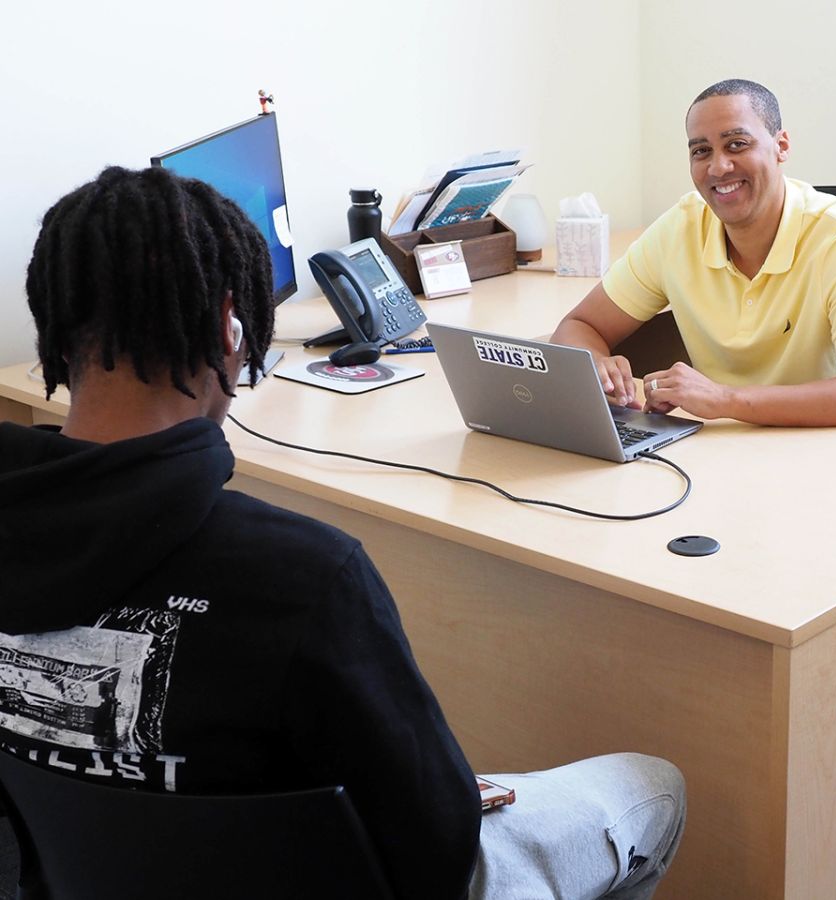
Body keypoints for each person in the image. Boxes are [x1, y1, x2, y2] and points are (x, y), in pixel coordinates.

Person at [0, 165, 684, 900]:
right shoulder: (304, 577)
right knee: (652, 786)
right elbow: (439, 849)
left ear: (57, 328)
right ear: (231, 325)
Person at [551, 78, 836, 431]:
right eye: (701, 151)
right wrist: (597, 365)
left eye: (737, 144)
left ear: (781, 146)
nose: (718, 167)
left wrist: (726, 400)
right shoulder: (679, 229)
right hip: (731, 447)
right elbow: (580, 326)